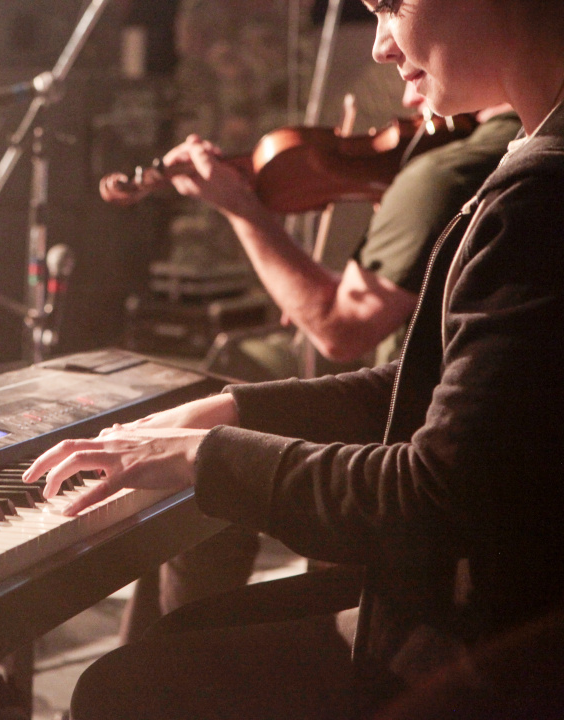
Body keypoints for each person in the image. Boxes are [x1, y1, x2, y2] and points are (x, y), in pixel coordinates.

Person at [24, 0, 564, 717]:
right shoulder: (531, 161)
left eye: (390, 6)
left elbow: (435, 496)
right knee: (185, 633)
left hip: (499, 649)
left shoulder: (538, 199)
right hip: (511, 602)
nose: (378, 47)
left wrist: (206, 460)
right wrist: (238, 409)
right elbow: (436, 395)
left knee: (119, 689)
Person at [120, 90, 522, 642]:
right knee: (199, 434)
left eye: (389, 6)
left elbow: (339, 327)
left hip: (415, 514)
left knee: (190, 486)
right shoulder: (510, 153)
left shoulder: (450, 173)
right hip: (425, 456)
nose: (397, 75)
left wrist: (243, 210)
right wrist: (234, 412)